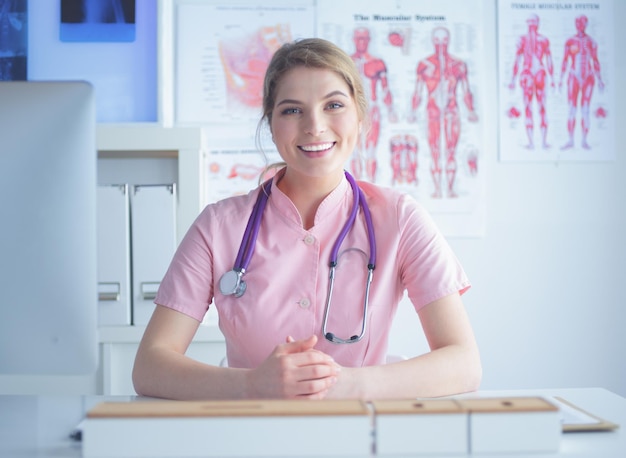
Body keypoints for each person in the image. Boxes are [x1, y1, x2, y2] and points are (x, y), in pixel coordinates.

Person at [132, 38, 481, 400]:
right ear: (270, 123)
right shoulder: (218, 227)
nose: (314, 126)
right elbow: (150, 366)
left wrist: (344, 384)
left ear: (360, 118)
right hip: (251, 437)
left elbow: (464, 363)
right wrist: (252, 385)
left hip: (360, 437)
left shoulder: (401, 219)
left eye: (333, 105)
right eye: (292, 110)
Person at [407, 26, 478, 198]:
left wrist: (471, 110)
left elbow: (466, 90)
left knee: (451, 151)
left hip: (452, 112)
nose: (441, 45)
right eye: (437, 41)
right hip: (432, 112)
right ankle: (438, 189)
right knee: (435, 152)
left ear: (449, 41)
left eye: (444, 41)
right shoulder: (424, 65)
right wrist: (413, 111)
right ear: (433, 41)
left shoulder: (458, 65)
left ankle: (451, 189)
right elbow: (418, 91)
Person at [508, 14, 555, 150]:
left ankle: (542, 142)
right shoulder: (523, 40)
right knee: (530, 108)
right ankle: (533, 142)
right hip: (528, 74)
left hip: (537, 73)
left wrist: (552, 78)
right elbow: (517, 59)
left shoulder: (543, 40)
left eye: (533, 22)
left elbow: (549, 59)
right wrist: (512, 78)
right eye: (530, 22)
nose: (532, 25)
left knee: (540, 107)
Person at [559, 15, 604, 150]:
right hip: (574, 76)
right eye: (577, 22)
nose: (579, 25)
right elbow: (565, 60)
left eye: (582, 22)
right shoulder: (570, 41)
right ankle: (571, 140)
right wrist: (560, 79)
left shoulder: (592, 42)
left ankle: (584, 140)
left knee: (585, 110)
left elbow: (595, 60)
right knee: (572, 109)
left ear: (586, 24)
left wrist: (600, 79)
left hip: (588, 77)